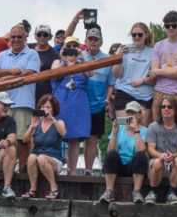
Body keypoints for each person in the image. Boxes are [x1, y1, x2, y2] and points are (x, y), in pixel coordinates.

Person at [0, 23, 40, 174]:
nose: (16, 39)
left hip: (23, 101)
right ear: (9, 39)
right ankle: (4, 169)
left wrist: (7, 78)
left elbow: (30, 73)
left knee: (22, 139)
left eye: (19, 37)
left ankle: (23, 170)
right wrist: (11, 72)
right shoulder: (3, 54)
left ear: (25, 38)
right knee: (2, 138)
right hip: (3, 103)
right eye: (13, 37)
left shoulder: (32, 54)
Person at [51, 41, 90, 175]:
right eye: (68, 47)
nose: (71, 50)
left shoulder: (83, 63)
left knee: (74, 138)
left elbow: (91, 73)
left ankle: (72, 171)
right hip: (61, 103)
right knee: (55, 135)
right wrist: (64, 61)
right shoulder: (57, 63)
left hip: (78, 104)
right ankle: (54, 167)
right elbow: (54, 74)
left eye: (75, 47)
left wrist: (82, 57)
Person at [150, 10, 177, 127]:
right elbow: (153, 72)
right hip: (160, 91)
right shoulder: (158, 45)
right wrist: (176, 71)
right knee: (158, 130)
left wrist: (160, 71)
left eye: (174, 25)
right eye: (167, 25)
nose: (170, 28)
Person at [98, 101, 149, 203]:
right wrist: (114, 134)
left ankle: (136, 191)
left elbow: (141, 149)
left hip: (134, 166)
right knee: (112, 154)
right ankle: (109, 191)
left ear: (139, 115)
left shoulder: (144, 130)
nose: (130, 115)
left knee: (141, 156)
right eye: (128, 112)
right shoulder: (120, 128)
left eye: (133, 113)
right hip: (119, 165)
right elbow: (111, 150)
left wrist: (136, 130)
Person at [81, 26, 114, 174]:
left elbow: (111, 84)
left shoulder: (107, 59)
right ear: (85, 41)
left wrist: (107, 100)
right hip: (79, 102)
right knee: (74, 139)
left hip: (98, 104)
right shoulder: (78, 56)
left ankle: (88, 170)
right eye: (90, 39)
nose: (93, 42)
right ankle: (71, 170)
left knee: (92, 138)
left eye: (96, 39)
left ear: (101, 42)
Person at [144, 96, 177, 205]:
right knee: (158, 161)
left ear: (176, 110)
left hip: (174, 163)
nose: (166, 109)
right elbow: (150, 149)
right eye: (163, 106)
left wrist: (174, 156)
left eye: (169, 106)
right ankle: (152, 192)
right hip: (157, 163)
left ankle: (171, 193)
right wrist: (161, 155)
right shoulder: (153, 126)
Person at [21, 94, 66, 199]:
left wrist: (52, 119)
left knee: (41, 158)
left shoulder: (58, 122)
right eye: (43, 107)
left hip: (54, 159)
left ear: (53, 109)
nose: (45, 109)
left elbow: (63, 133)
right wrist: (32, 127)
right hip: (37, 158)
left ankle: (54, 188)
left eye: (48, 107)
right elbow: (25, 139)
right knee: (32, 157)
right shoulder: (37, 123)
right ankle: (32, 189)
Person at [113, 22, 155, 126]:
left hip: (144, 97)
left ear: (146, 35)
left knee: (140, 129)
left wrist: (142, 80)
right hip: (124, 92)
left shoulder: (153, 52)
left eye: (140, 34)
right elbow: (117, 74)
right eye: (134, 35)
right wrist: (119, 57)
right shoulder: (123, 49)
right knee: (124, 126)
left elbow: (154, 78)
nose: (136, 37)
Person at [29, 23, 59, 103]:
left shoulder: (54, 54)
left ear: (50, 37)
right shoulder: (27, 48)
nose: (42, 37)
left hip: (43, 97)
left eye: (45, 35)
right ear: (35, 36)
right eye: (39, 34)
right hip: (26, 93)